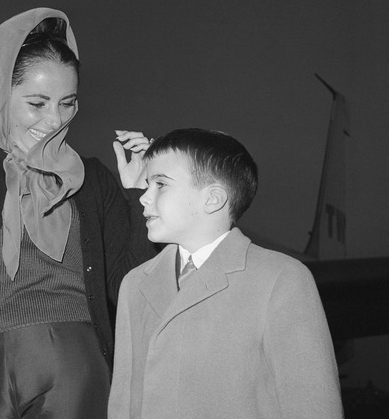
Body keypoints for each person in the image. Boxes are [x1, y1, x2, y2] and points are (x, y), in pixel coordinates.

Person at [0, 8, 156, 418]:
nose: (54, 120)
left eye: (67, 103)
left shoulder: (92, 178)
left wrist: (138, 193)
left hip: (73, 357)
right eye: (37, 103)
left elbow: (129, 286)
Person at [107, 128, 343, 418]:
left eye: (160, 184)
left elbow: (312, 406)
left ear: (212, 199)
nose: (143, 197)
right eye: (146, 185)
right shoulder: (135, 284)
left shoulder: (281, 279)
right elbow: (122, 399)